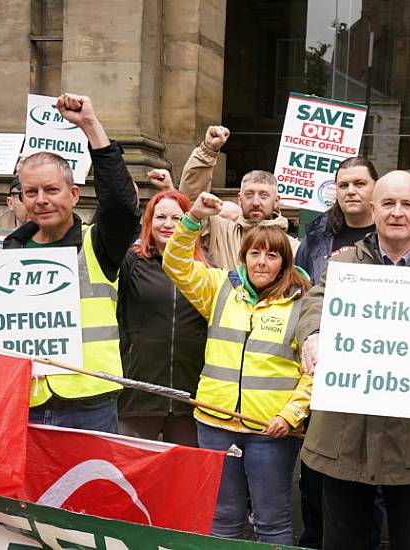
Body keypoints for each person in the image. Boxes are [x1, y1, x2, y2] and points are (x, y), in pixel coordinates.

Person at [295, 170, 410, 550]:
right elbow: (314, 304)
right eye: (388, 203)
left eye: (406, 204)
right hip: (345, 432)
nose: (397, 212)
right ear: (373, 209)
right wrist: (313, 335)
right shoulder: (343, 264)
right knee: (341, 540)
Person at [0, 93, 140, 433]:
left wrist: (90, 127)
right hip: (22, 404)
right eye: (31, 192)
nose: (41, 200)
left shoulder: (97, 245)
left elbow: (122, 207)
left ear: (73, 194)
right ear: (20, 198)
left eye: (52, 190)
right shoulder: (5, 255)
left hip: (90, 405)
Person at [162, 192, 312, 543]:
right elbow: (176, 264)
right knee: (222, 518)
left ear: (284, 261)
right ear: (243, 258)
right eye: (254, 254)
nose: (262, 262)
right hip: (214, 422)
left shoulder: (304, 304)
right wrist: (192, 219)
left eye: (272, 255)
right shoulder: (220, 289)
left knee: (271, 520)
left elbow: (313, 371)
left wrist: (290, 415)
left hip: (271, 431)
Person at [293, 156, 380, 550]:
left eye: (359, 183)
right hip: (323, 370)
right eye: (343, 184)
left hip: (376, 369)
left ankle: (368, 540)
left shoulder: (392, 235)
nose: (351, 191)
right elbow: (300, 292)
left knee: (371, 469)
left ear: (375, 188)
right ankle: (315, 539)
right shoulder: (316, 236)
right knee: (315, 466)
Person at [116, 189, 208, 446]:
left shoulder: (205, 268)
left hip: (189, 392)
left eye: (177, 219)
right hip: (139, 390)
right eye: (160, 217)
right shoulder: (131, 262)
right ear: (149, 221)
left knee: (182, 477)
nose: (168, 225)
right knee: (132, 473)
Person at [179, 125, 298, 270]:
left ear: (276, 202)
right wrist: (207, 152)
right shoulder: (220, 232)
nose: (255, 202)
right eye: (249, 194)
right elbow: (191, 201)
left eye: (263, 195)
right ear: (239, 199)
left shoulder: (294, 248)